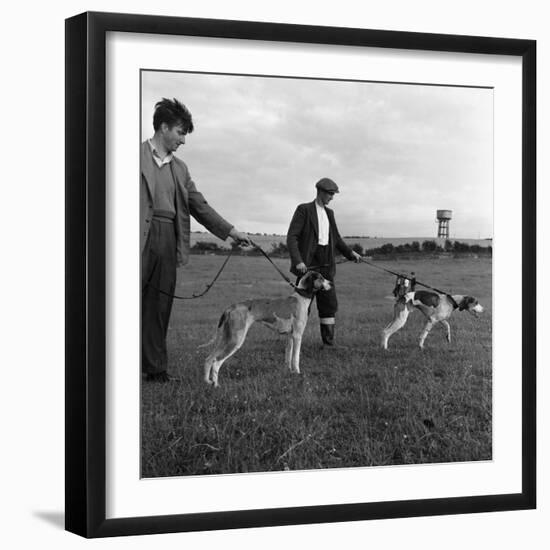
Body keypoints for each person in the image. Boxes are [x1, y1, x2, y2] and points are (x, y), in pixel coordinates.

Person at [141, 98, 251, 382]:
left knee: (159, 309)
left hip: (167, 239)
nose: (183, 140)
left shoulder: (181, 168)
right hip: (133, 238)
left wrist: (230, 231)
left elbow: (199, 205)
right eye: (180, 132)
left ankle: (154, 370)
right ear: (163, 127)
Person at [286, 178, 362, 347]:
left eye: (333, 194)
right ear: (320, 191)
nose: (332, 197)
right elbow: (292, 237)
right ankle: (294, 343)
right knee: (301, 306)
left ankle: (328, 345)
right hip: (307, 267)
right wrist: (298, 261)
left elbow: (336, 239)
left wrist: (350, 253)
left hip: (326, 264)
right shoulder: (304, 210)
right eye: (330, 193)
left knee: (329, 305)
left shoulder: (330, 214)